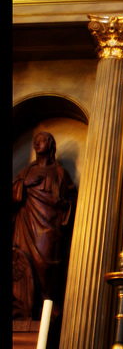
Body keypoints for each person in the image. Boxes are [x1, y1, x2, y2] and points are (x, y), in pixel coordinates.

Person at [13, 131, 76, 322]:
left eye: (41, 141)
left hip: (49, 226)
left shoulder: (60, 172)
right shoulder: (25, 172)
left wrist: (64, 205)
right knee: (23, 265)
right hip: (25, 225)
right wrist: (24, 185)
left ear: (50, 144)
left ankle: (47, 306)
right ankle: (24, 309)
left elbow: (71, 198)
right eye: (35, 141)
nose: (36, 144)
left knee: (46, 264)